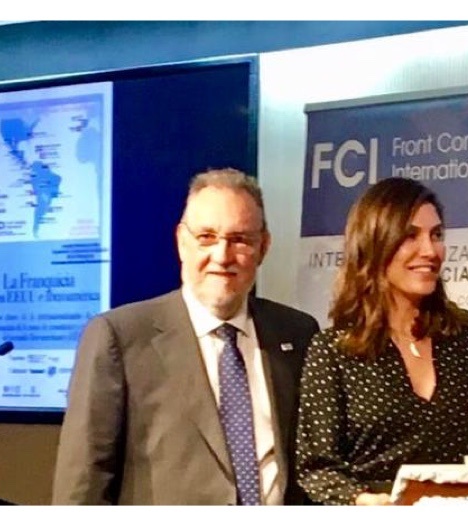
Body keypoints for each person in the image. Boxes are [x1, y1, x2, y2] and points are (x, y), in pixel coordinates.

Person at [52, 168, 320, 505]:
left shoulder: (296, 333)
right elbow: (83, 484)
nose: (222, 256)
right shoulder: (120, 337)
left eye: (240, 239)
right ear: (181, 241)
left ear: (263, 247)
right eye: (206, 237)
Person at [295, 177, 468, 505]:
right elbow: (316, 468)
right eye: (410, 236)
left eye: (436, 235)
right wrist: (361, 500)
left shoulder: (466, 334)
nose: (429, 251)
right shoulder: (334, 351)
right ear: (374, 243)